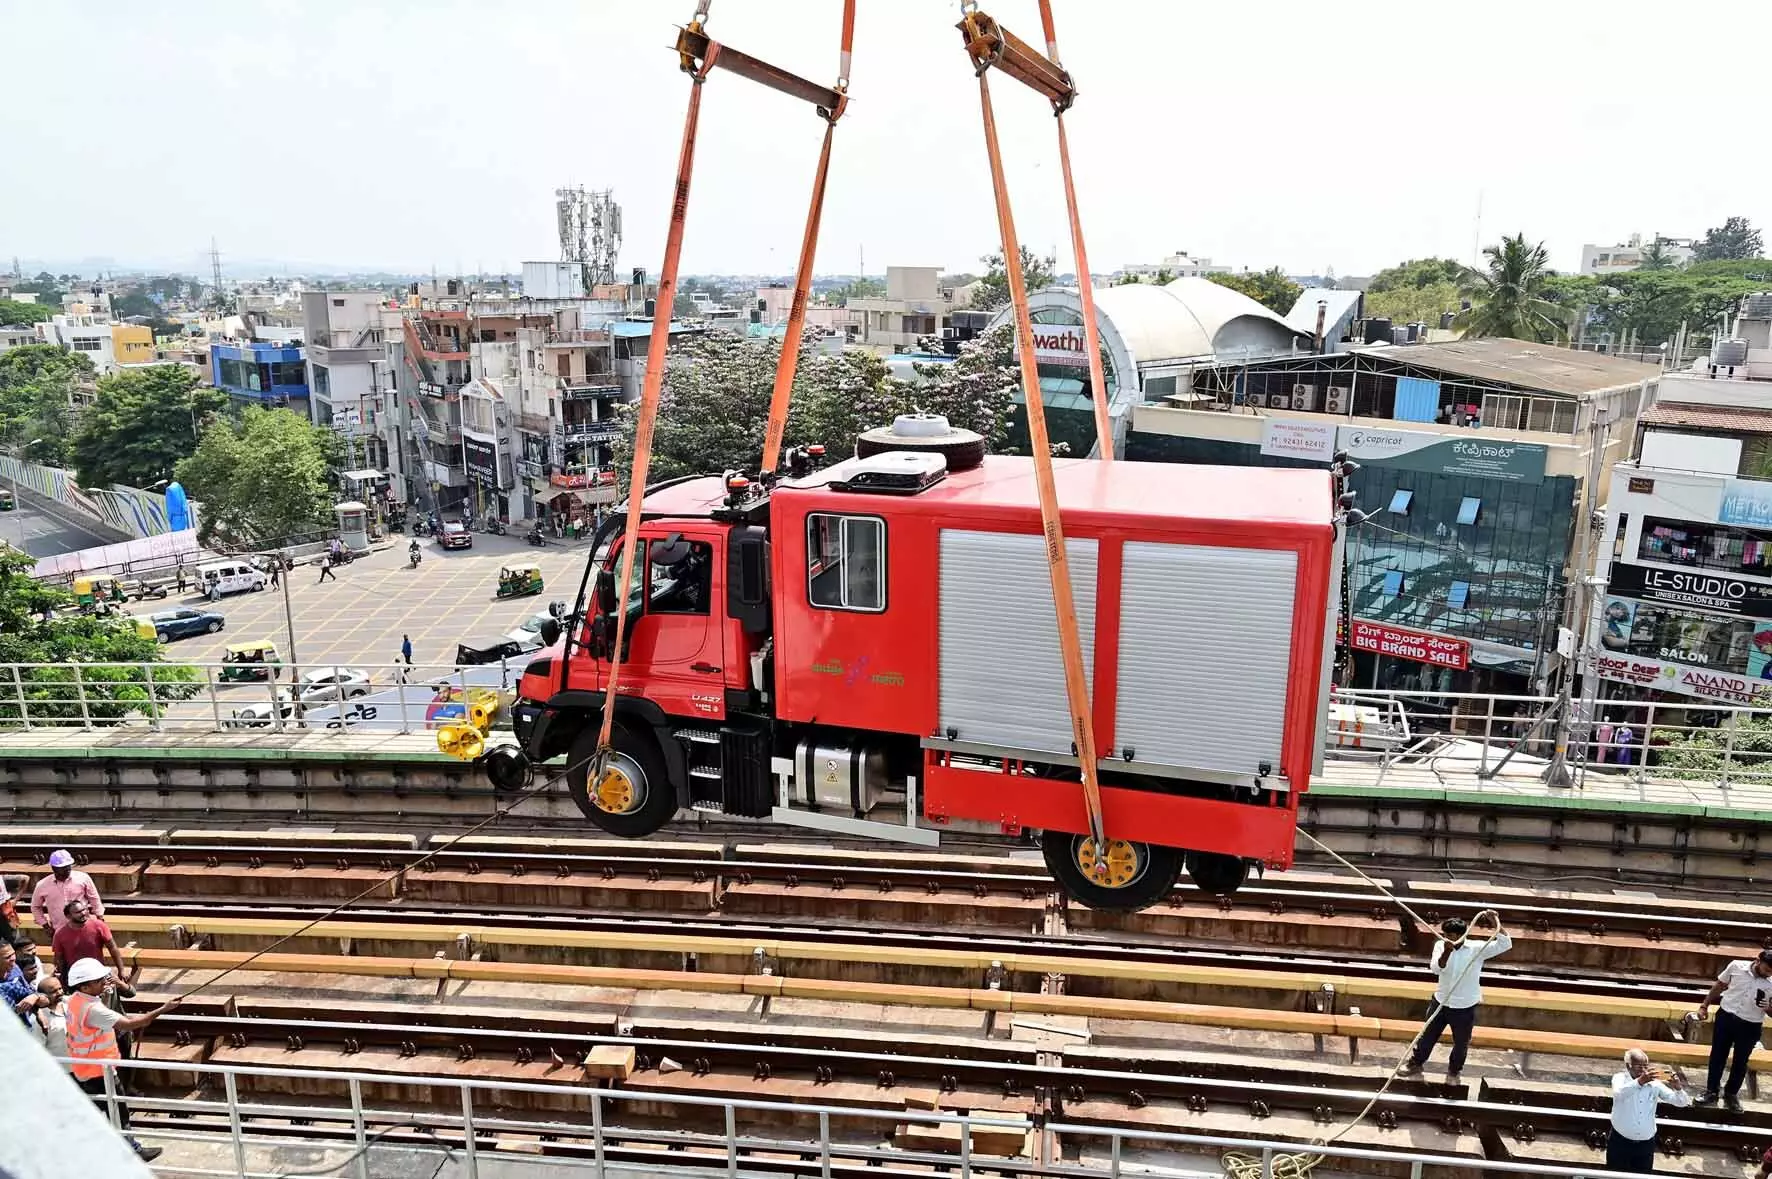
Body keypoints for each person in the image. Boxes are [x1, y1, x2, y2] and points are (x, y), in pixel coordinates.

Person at [64, 957, 177, 1162]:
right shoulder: (93, 1009)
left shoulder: (75, 1001)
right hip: (100, 1072)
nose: (104, 983)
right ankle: (132, 1151)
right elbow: (131, 1023)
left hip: (85, 1068)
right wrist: (163, 1009)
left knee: (99, 1110)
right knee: (119, 1111)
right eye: (99, 981)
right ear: (85, 986)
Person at [1397, 912, 1513, 1082]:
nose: (1446, 938)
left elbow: (1505, 943)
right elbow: (1437, 969)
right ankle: (1416, 1063)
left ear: (1461, 936)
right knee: (1427, 1036)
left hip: (1464, 1006)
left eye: (1450, 936)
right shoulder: (1440, 946)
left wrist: (1494, 921)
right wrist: (1446, 952)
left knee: (1461, 1043)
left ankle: (1454, 1070)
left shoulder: (1476, 949)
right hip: (1441, 1001)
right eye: (1444, 935)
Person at [1695, 948, 1772, 1111]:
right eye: (1767, 970)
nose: (1769, 974)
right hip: (1726, 1017)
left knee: (1740, 1061)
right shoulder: (1736, 966)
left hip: (1751, 1024)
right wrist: (1704, 1006)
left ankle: (1731, 1094)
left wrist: (1768, 1009)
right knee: (1717, 1055)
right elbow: (1720, 985)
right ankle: (1711, 1091)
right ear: (1758, 962)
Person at [1608, 1048, 1689, 1172]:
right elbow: (1619, 1094)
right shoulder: (1619, 1078)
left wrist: (1678, 1088)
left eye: (1645, 1066)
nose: (1643, 1069)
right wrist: (1639, 1082)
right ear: (1628, 1066)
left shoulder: (1655, 1084)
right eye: (1638, 1066)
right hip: (1620, 1142)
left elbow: (1681, 1102)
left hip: (1645, 1145)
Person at [31, 849, 103, 938]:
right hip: (59, 930)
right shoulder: (42, 885)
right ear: (54, 868)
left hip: (84, 927)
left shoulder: (83, 878)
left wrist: (100, 918)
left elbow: (94, 898)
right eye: (63, 868)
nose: (67, 870)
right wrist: (45, 926)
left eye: (68, 867)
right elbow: (35, 907)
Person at [52, 899, 125, 980]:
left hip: (97, 973)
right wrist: (60, 976)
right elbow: (59, 957)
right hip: (75, 976)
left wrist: (121, 970)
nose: (83, 913)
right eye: (78, 912)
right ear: (68, 916)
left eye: (84, 910)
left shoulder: (99, 925)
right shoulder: (60, 933)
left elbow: (112, 948)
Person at [2, 940, 34, 1022]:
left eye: (13, 954)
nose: (13, 959)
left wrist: (34, 998)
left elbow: (30, 991)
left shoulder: (14, 968)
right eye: (7, 957)